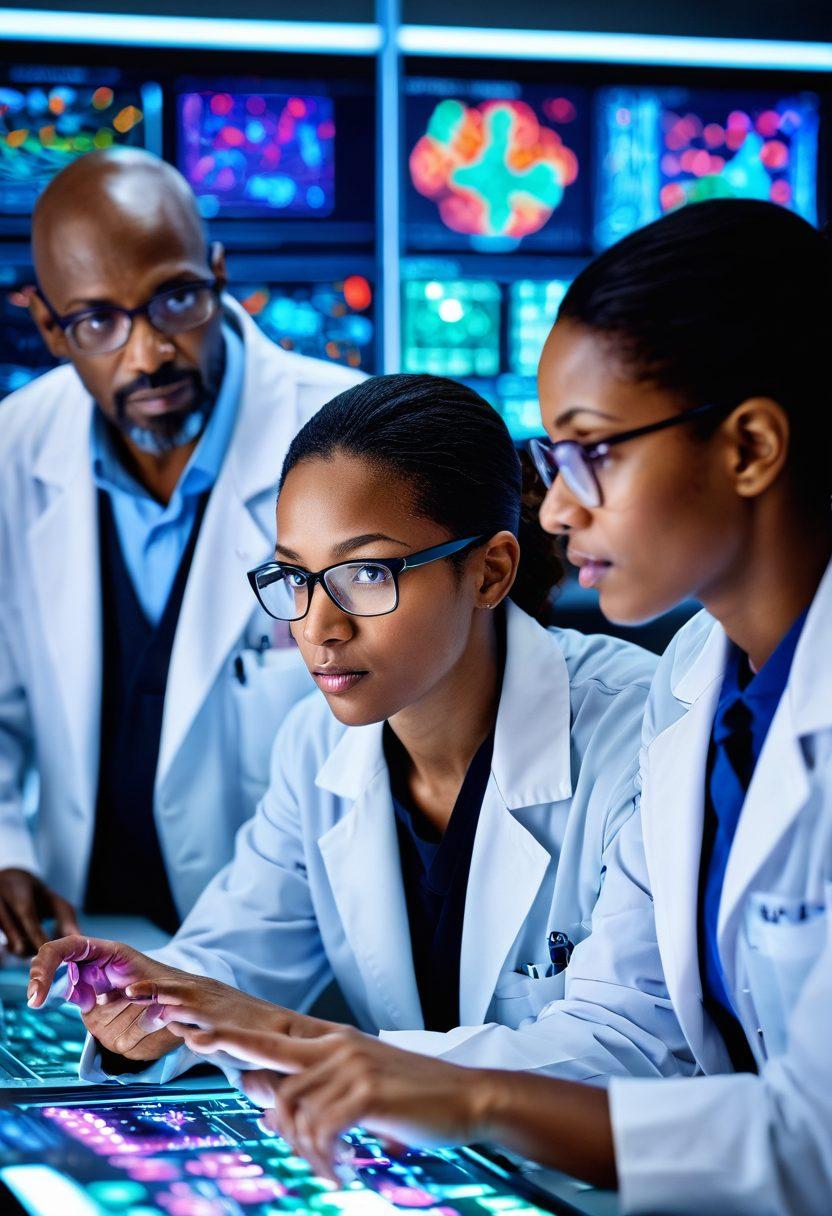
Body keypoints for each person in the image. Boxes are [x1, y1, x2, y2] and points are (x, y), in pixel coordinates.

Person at [163, 200, 832, 1215]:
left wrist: (447, 1086)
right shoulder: (701, 681)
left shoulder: (646, 704)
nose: (558, 507)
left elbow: (804, 1135)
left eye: (591, 451)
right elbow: (632, 1020)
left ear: (747, 447)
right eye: (551, 455)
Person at [28, 373, 658, 1083]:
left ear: (489, 572)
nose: (318, 626)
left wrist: (285, 1033)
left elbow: (632, 1054)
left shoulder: (638, 736)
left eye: (365, 573)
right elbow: (230, 956)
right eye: (295, 577)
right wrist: (148, 1003)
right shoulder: (315, 746)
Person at [0, 147, 362, 952]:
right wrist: (4, 854)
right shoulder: (14, 447)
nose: (149, 354)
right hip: (85, 935)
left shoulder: (349, 444)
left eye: (176, 300)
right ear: (49, 328)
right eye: (98, 321)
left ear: (220, 272)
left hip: (291, 949)